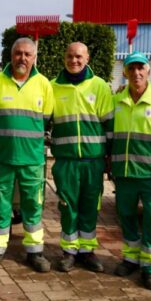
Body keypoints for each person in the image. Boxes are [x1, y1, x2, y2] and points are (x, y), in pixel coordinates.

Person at [0, 37, 54, 273]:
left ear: (34, 58)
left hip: (32, 161)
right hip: (2, 158)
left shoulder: (44, 85)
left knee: (33, 205)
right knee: (0, 206)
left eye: (27, 54)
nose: (22, 58)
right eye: (18, 53)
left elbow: (47, 119)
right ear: (11, 56)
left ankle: (35, 252)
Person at [111, 52, 151, 290]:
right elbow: (110, 136)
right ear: (125, 72)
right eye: (131, 68)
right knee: (126, 216)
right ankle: (130, 258)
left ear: (148, 71)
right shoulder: (116, 101)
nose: (136, 73)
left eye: (141, 68)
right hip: (124, 174)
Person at [50, 42, 114, 273]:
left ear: (87, 59)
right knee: (68, 207)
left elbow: (110, 124)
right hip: (66, 162)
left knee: (90, 206)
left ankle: (87, 250)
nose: (74, 61)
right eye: (69, 56)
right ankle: (69, 251)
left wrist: (109, 158)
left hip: (93, 162)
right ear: (64, 58)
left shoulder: (100, 86)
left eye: (78, 57)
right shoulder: (52, 86)